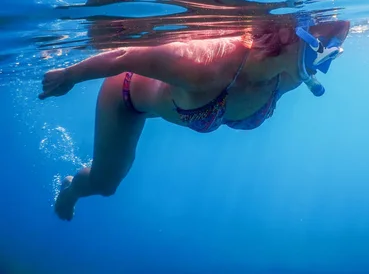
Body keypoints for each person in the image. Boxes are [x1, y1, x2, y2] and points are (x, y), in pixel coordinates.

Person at [39, 18, 351, 221]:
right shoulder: (206, 65)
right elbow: (125, 56)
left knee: (108, 186)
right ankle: (71, 190)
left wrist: (321, 33)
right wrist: (69, 76)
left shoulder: (289, 77)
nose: (326, 59)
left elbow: (341, 25)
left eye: (330, 52)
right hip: (125, 97)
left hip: (171, 101)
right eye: (324, 48)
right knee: (105, 185)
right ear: (288, 33)